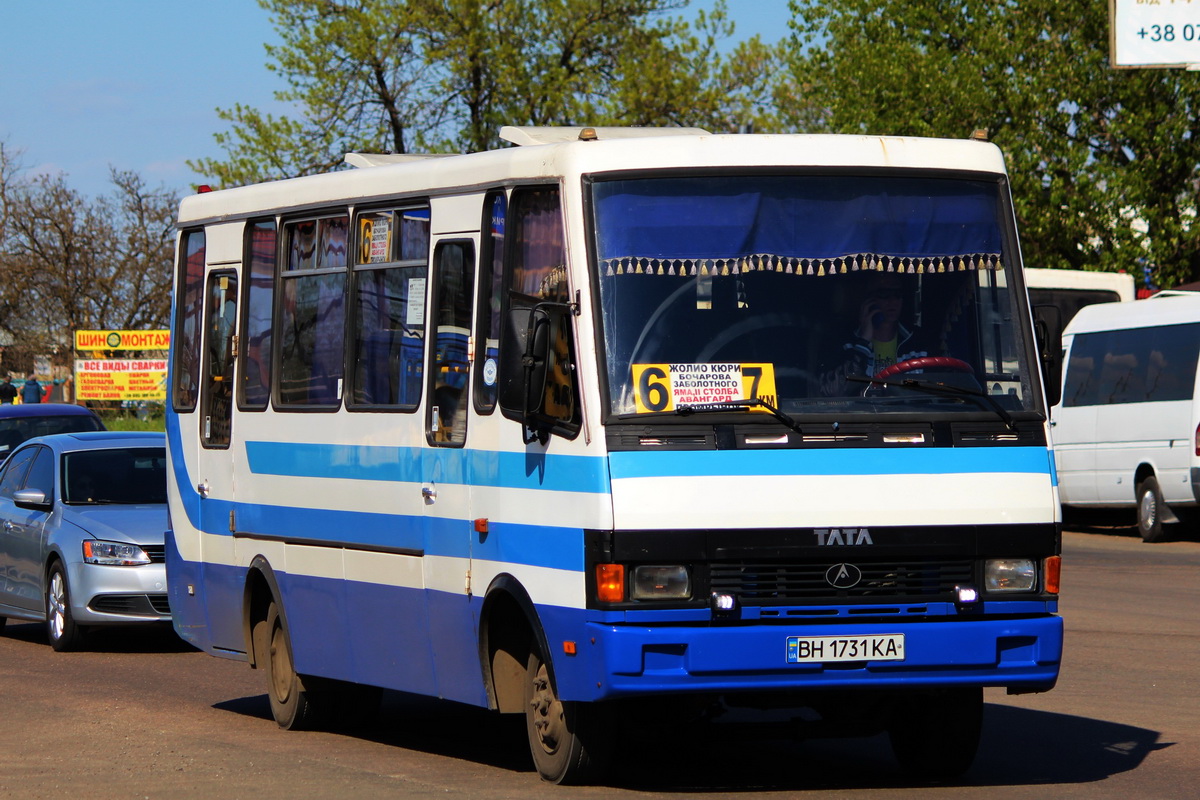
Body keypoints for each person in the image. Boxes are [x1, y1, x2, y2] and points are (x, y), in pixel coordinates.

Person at [819, 271, 936, 396]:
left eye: (897, 294)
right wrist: (863, 342)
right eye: (884, 294)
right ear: (868, 300)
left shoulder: (918, 342)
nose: (892, 300)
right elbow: (834, 391)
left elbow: (936, 390)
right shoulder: (844, 343)